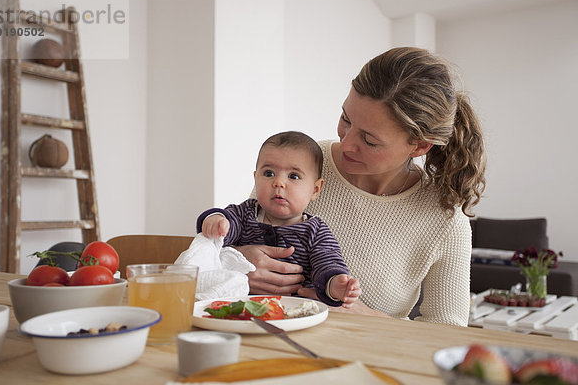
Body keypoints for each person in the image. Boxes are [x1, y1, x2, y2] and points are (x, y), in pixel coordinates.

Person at [237, 47, 487, 326]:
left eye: (369, 140)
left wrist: (369, 318)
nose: (346, 143)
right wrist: (236, 260)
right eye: (346, 119)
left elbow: (447, 334)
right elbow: (236, 236)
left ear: (419, 145)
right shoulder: (302, 166)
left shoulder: (444, 217)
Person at [197, 131, 361, 308]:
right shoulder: (245, 213)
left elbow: (327, 263)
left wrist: (335, 284)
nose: (279, 183)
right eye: (268, 173)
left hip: (295, 311)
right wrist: (216, 219)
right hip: (242, 308)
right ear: (255, 179)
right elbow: (224, 228)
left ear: (315, 189)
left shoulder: (315, 230)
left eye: (294, 176)